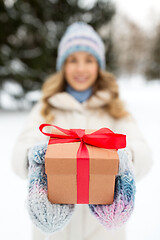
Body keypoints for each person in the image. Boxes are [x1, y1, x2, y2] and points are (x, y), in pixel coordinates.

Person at [11, 21, 153, 240]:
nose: (80, 68)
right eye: (72, 60)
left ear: (98, 66)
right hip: (55, 232)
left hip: (103, 232)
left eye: (88, 60)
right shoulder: (46, 108)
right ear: (63, 66)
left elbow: (145, 154)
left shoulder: (115, 109)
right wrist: (36, 160)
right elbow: (18, 156)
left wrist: (125, 158)